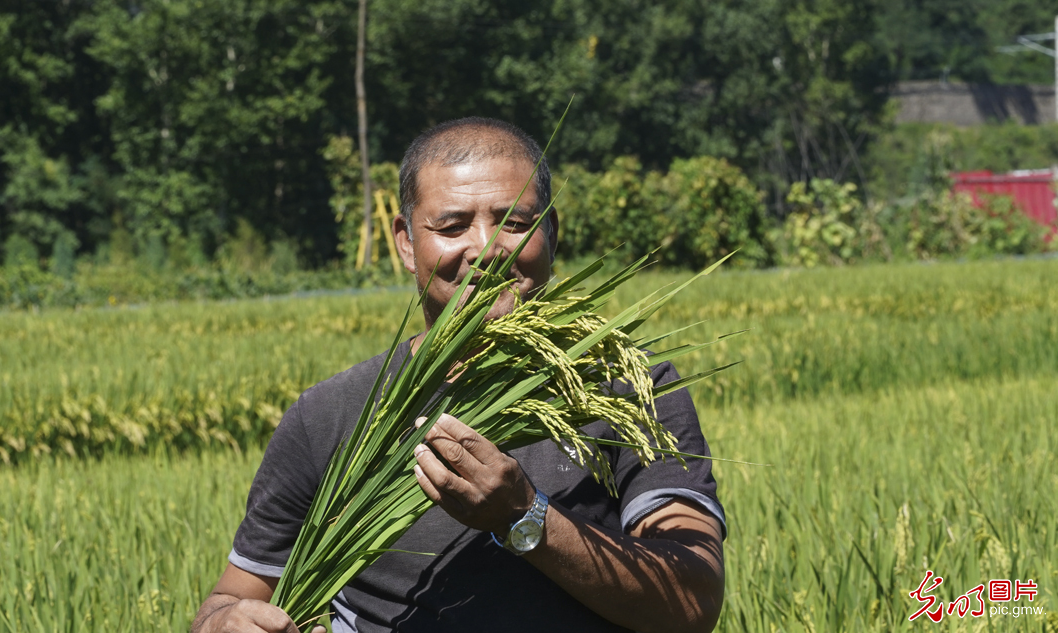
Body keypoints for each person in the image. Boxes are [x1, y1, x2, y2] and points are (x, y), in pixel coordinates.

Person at [190, 117, 726, 633]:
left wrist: (525, 517)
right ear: (405, 242)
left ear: (552, 232)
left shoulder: (624, 386)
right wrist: (222, 621)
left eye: (515, 223)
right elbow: (234, 597)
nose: (486, 249)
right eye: (451, 226)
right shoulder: (331, 414)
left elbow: (694, 599)